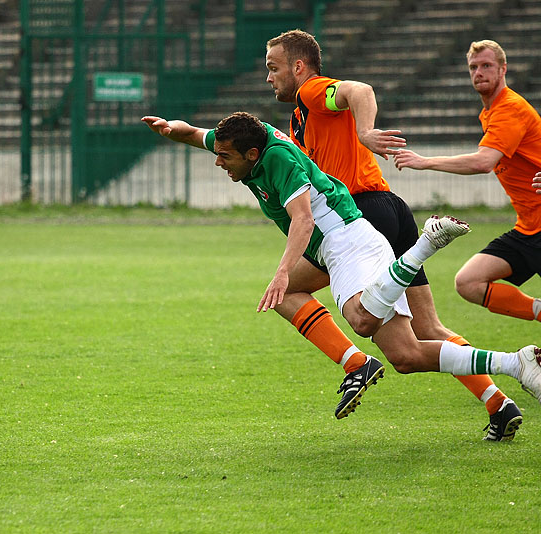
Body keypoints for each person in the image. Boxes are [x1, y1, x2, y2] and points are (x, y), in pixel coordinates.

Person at [141, 111, 541, 430]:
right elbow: (196, 134)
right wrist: (170, 128)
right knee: (406, 355)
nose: (218, 161)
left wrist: (282, 270)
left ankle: (423, 247)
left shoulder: (279, 159)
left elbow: (303, 220)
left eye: (224, 157)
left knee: (360, 319)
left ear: (251, 155)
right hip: (342, 242)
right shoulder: (244, 138)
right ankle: (514, 363)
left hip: (345, 239)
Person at [263, 29, 520, 440]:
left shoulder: (311, 91)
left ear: (298, 67)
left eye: (274, 68)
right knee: (428, 330)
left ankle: (355, 364)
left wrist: (366, 131)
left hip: (361, 219)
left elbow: (359, 90)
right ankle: (498, 404)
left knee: (289, 292)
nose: (269, 77)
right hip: (391, 210)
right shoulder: (299, 119)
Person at [393, 40, 541, 329]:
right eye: (473, 67)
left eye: (486, 66)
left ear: (503, 69)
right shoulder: (490, 113)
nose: (479, 72)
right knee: (469, 282)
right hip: (528, 229)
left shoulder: (510, 108)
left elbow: (483, 162)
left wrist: (425, 161)